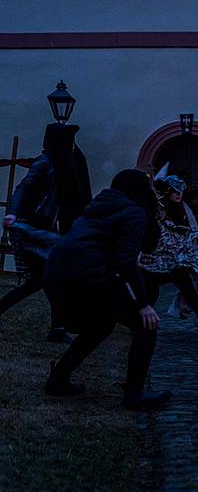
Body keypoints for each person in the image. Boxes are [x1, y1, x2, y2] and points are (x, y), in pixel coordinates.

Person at [42, 169, 172, 411]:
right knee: (146, 325)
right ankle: (134, 394)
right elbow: (125, 262)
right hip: (84, 276)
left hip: (55, 274)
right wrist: (142, 304)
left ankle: (58, 378)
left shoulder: (96, 209)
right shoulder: (134, 212)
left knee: (100, 324)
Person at [0, 123, 92, 343]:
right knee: (44, 280)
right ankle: (57, 329)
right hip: (29, 228)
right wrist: (12, 213)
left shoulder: (63, 164)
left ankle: (57, 329)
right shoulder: (45, 162)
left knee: (49, 279)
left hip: (43, 228)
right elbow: (24, 186)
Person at [140, 174, 198, 334]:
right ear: (168, 191)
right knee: (150, 294)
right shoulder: (158, 210)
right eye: (175, 191)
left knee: (187, 286)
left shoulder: (183, 211)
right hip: (151, 261)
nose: (179, 194)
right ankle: (139, 323)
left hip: (169, 262)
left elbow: (184, 234)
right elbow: (173, 233)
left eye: (181, 191)